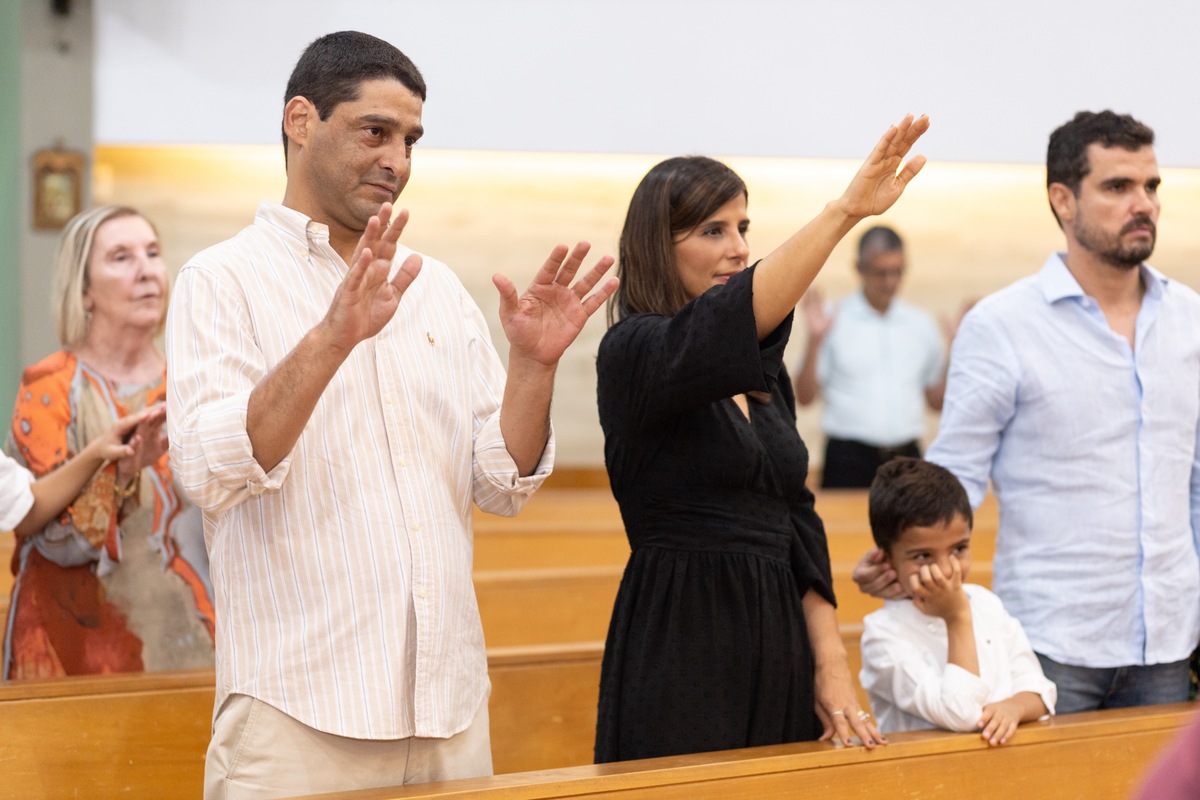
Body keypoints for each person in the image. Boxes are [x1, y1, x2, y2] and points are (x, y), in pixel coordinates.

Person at [165, 31, 617, 799]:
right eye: (375, 131)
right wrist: (331, 339)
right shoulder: (221, 280)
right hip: (296, 715)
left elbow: (500, 480)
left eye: (410, 140)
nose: (398, 161)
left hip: (447, 711)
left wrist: (533, 369)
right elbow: (210, 473)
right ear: (299, 120)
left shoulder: (432, 287)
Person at [593, 113, 929, 763]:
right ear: (658, 246)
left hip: (777, 631)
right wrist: (844, 213)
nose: (738, 248)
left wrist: (830, 662)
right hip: (683, 632)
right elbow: (731, 318)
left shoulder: (759, 372)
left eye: (743, 228)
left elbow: (794, 519)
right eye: (713, 230)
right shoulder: (633, 351)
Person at [854, 110, 1200, 714]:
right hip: (1048, 641)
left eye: (1151, 186)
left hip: (1169, 640)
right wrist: (904, 551)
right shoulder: (1002, 326)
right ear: (1063, 201)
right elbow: (956, 474)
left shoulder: (1190, 321)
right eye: (1118, 187)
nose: (1143, 202)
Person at [4, 205, 214, 680]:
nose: (146, 271)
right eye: (121, 257)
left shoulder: (198, 384)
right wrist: (116, 476)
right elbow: (54, 541)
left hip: (190, 645)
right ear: (83, 290)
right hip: (72, 651)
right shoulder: (50, 388)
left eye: (153, 253)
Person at [858, 458, 1056, 743]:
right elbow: (962, 714)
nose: (947, 569)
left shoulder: (987, 604)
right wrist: (957, 617)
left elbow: (1041, 690)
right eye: (923, 556)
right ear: (886, 559)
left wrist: (1014, 707)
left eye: (959, 549)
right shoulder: (883, 634)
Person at [792, 226, 949, 488]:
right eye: (880, 273)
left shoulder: (921, 324)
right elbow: (805, 397)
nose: (890, 282)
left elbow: (936, 402)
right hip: (848, 459)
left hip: (907, 458)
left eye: (897, 272)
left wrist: (957, 351)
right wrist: (815, 340)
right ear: (859, 268)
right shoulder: (832, 319)